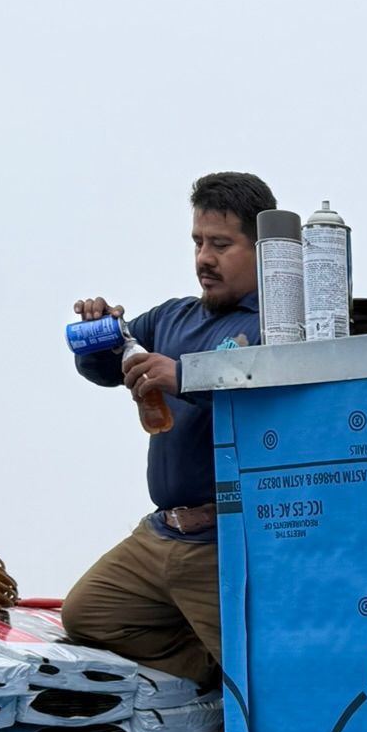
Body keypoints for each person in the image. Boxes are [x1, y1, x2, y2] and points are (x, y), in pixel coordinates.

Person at [62, 171, 275, 686]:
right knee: (87, 615)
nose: (204, 257)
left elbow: (274, 398)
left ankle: (240, 699)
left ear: (264, 248)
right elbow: (108, 369)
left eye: (221, 244)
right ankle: (213, 684)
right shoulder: (173, 317)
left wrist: (183, 377)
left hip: (226, 542)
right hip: (160, 533)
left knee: (270, 683)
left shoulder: (277, 324)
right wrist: (101, 337)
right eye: (198, 242)